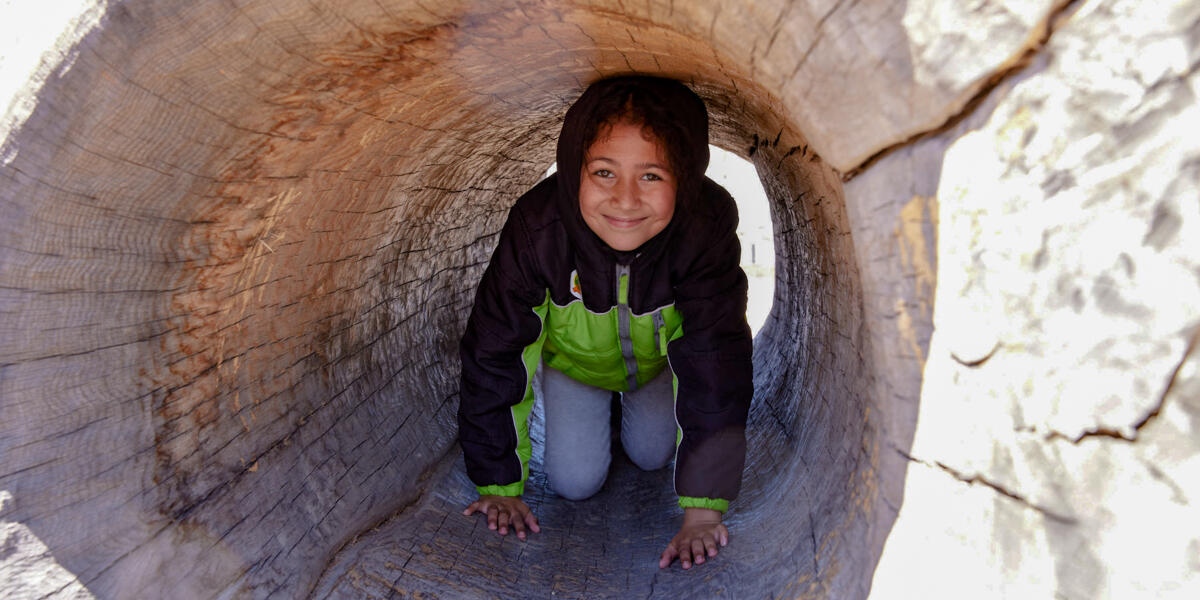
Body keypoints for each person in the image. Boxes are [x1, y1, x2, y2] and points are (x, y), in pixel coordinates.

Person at [457, 75, 753, 570]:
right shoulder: (540, 227)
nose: (626, 199)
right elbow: (496, 350)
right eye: (604, 172)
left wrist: (703, 510)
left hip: (656, 366)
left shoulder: (702, 228)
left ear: (686, 176)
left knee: (654, 455)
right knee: (575, 483)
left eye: (652, 175)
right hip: (575, 366)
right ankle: (596, 414)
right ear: (575, 167)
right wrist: (499, 486)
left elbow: (715, 361)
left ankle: (629, 417)